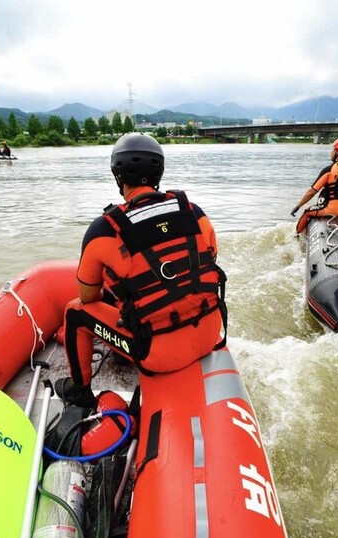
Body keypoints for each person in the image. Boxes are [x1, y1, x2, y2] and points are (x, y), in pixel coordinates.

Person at [55, 133, 227, 407]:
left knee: (75, 312)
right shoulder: (194, 212)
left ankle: (79, 391)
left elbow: (87, 298)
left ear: (118, 176)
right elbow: (208, 260)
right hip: (210, 334)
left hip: (157, 355)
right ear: (159, 172)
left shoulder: (103, 229)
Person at [290, 135, 338, 233]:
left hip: (332, 210)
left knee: (307, 212)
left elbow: (311, 192)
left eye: (333, 149)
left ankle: (296, 235)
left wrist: (298, 207)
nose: (331, 152)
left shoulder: (330, 169)